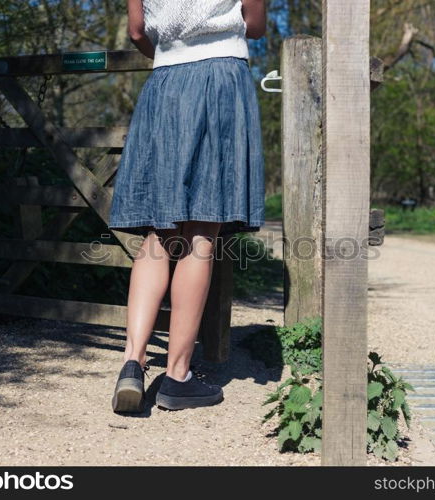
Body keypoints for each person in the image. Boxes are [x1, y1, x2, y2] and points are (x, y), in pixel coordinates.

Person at [108, 0, 267, 412]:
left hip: (165, 83)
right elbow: (256, 24)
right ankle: (177, 377)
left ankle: (132, 361)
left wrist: (171, 52)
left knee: (158, 233)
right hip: (221, 79)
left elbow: (138, 32)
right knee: (201, 235)